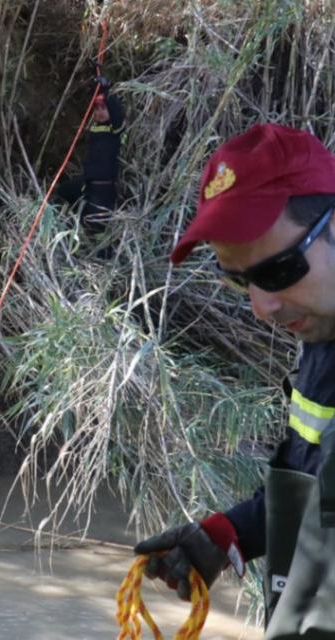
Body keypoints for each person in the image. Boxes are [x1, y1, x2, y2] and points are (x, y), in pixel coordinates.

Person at [136, 123, 335, 638]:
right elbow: (318, 492)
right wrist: (231, 535)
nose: (261, 307)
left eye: (279, 270)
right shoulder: (323, 340)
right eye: (240, 280)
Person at [57, 75, 126, 236]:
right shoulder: (94, 129)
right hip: (88, 184)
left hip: (104, 187)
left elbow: (117, 115)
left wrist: (106, 90)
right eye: (97, 109)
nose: (100, 113)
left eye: (103, 109)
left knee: (97, 226)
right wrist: (96, 85)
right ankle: (66, 225)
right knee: (63, 191)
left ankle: (100, 251)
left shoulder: (114, 131)